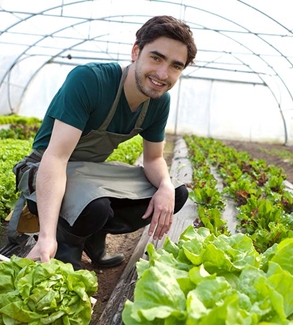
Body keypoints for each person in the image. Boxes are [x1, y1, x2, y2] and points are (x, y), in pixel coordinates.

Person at [11, 15, 197, 270]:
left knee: (175, 193)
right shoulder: (90, 80)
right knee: (95, 206)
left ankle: (92, 234)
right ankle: (66, 244)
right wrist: (45, 236)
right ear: (136, 52)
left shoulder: (159, 102)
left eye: (176, 66)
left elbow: (153, 159)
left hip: (88, 174)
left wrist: (165, 185)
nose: (163, 74)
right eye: (156, 58)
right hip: (43, 169)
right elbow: (56, 158)